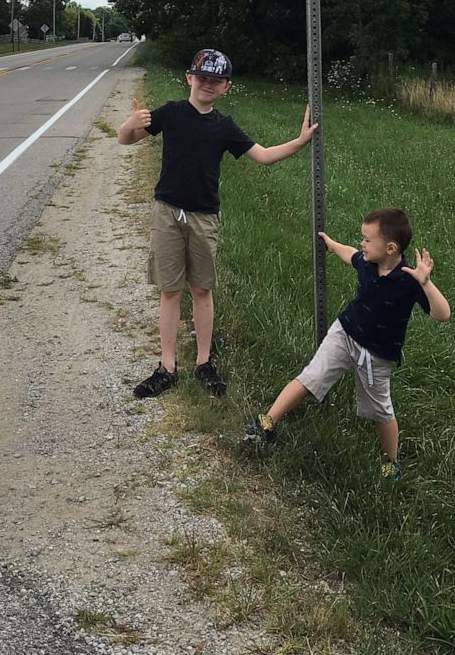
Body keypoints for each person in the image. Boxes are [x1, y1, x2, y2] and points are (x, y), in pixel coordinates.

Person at [118, 47, 318, 399]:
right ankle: (166, 367)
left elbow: (264, 157)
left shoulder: (224, 127)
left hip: (204, 217)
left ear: (227, 86)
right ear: (189, 78)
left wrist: (300, 142)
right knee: (170, 290)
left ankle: (204, 362)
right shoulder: (172, 113)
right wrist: (129, 125)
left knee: (201, 290)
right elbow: (127, 138)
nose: (208, 84)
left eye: (217, 80)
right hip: (167, 213)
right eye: (203, 77)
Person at [243, 208, 451, 480]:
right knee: (311, 376)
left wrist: (426, 283)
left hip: (377, 354)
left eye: (367, 240)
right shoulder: (366, 262)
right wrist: (330, 245)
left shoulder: (409, 280)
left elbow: (442, 314)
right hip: (345, 333)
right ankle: (267, 422)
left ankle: (391, 462)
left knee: (381, 410)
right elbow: (349, 254)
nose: (362, 244)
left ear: (390, 248)